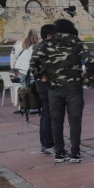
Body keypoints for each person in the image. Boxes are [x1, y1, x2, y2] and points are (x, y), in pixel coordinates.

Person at [30, 19, 94, 163]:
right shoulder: (76, 42)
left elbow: (33, 62)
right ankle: (75, 153)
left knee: (56, 121)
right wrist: (88, 79)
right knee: (75, 121)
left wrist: (41, 78)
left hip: (54, 89)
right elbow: (90, 61)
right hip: (74, 88)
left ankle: (59, 153)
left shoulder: (47, 43)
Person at [34, 24, 56, 155]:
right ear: (49, 35)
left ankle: (45, 143)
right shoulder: (46, 48)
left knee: (45, 114)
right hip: (46, 85)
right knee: (49, 114)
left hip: (41, 85)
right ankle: (48, 144)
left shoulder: (37, 46)